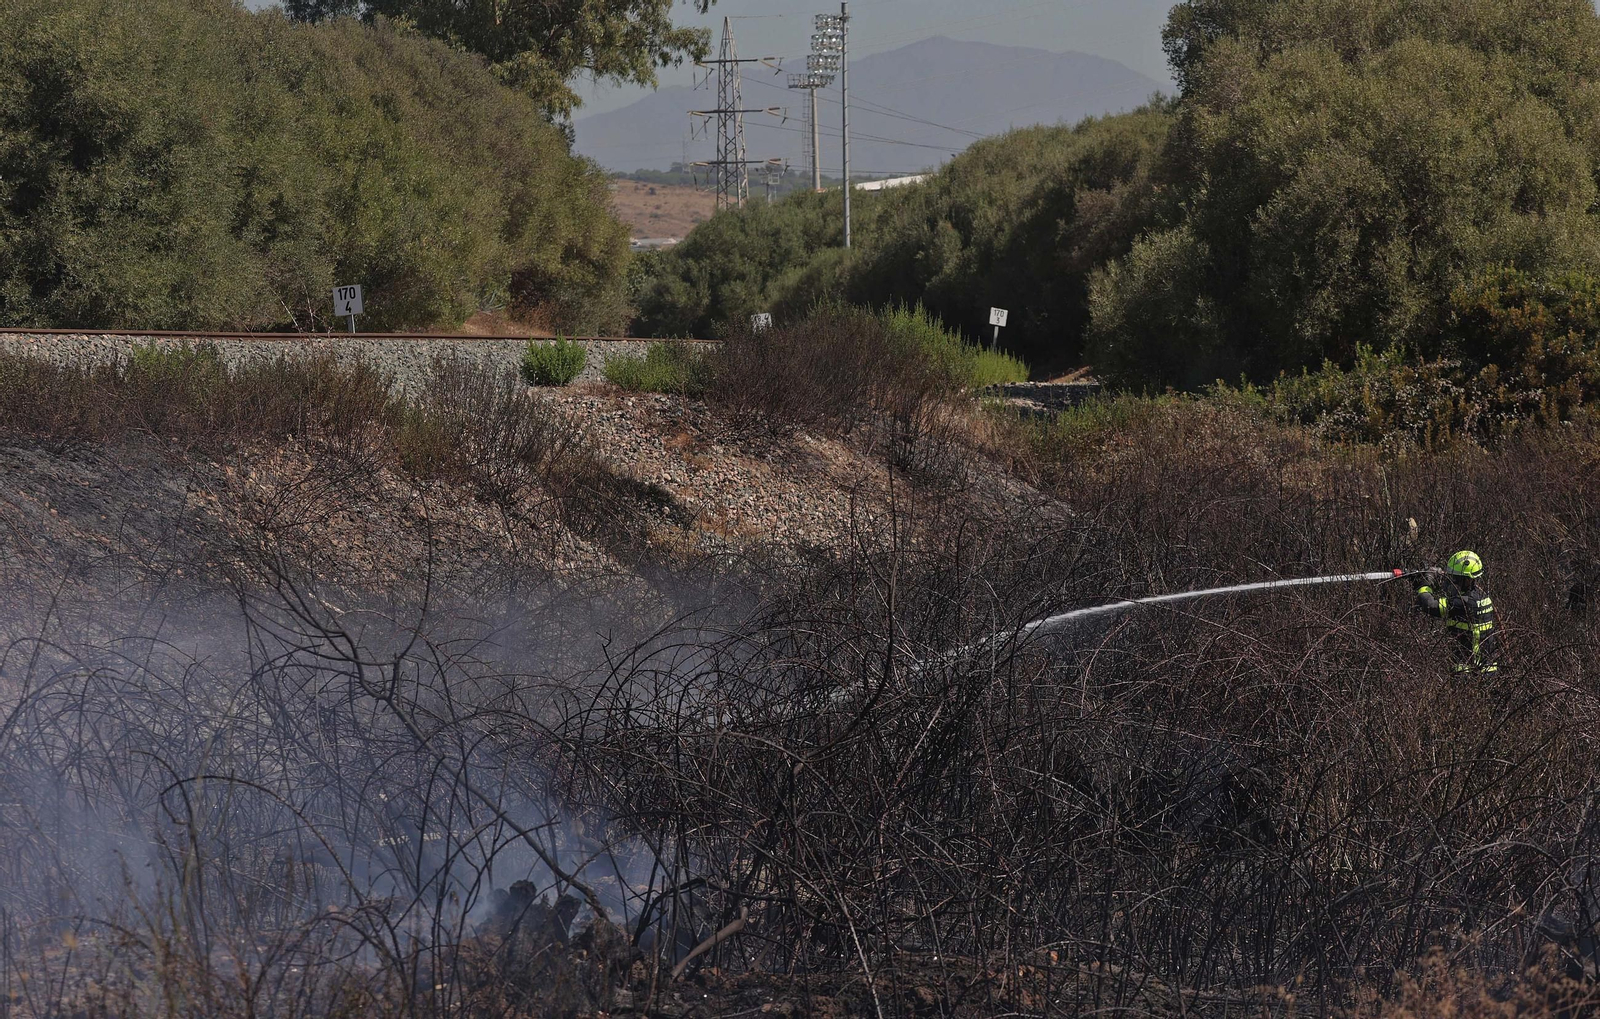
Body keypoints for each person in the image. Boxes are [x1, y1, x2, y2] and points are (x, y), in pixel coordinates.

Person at [1412, 550, 1500, 674]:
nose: (1453, 581)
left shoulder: (1463, 603)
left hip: (1469, 672)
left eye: (1456, 578)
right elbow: (1450, 595)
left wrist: (1424, 585)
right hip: (1487, 669)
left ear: (1467, 580)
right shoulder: (1481, 597)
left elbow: (1430, 605)